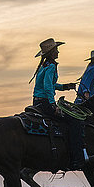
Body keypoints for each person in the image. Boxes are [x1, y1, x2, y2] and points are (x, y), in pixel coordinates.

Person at [30, 38, 84, 169]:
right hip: (45, 103)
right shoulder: (52, 66)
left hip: (37, 101)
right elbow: (48, 86)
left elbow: (48, 85)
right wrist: (52, 104)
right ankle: (76, 159)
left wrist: (65, 87)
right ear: (51, 52)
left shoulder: (44, 66)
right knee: (75, 121)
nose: (58, 52)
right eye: (56, 50)